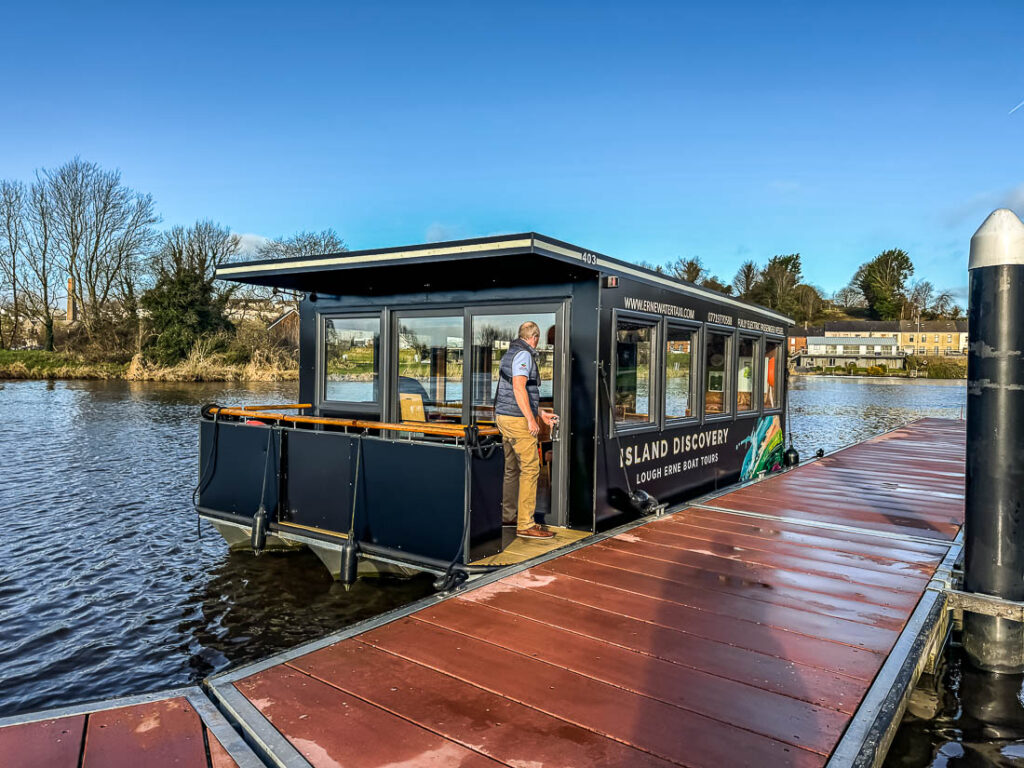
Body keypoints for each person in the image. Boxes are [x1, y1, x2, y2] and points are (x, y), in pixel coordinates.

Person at [495, 321, 558, 539]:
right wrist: (532, 420)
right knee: (531, 468)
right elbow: (519, 388)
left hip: (504, 416)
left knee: (512, 468)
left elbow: (520, 392)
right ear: (535, 337)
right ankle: (525, 524)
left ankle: (509, 516)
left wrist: (540, 413)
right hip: (516, 420)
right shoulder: (524, 355)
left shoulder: (510, 353)